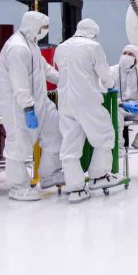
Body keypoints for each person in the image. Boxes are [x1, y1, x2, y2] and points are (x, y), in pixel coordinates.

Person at [0, 11, 64, 201]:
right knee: (19, 145)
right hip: (18, 105)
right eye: (43, 27)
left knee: (55, 132)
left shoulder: (31, 44)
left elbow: (45, 69)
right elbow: (19, 83)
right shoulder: (17, 48)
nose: (45, 31)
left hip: (40, 99)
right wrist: (27, 108)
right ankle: (18, 187)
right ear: (32, 25)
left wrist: (65, 80)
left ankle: (50, 175)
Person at [54, 18, 121, 203]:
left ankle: (76, 189)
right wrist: (110, 85)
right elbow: (104, 74)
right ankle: (99, 176)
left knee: (70, 145)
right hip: (86, 100)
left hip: (65, 102)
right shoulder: (93, 47)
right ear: (93, 32)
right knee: (105, 135)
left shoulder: (61, 48)